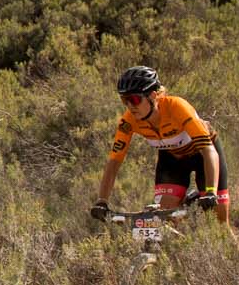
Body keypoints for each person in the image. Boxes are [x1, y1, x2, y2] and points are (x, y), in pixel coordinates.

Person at [91, 65, 228, 226]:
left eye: (134, 99)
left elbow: (208, 150)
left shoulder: (177, 107)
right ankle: (177, 243)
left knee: (220, 223)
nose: (130, 106)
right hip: (172, 159)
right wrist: (102, 201)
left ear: (153, 95)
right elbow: (114, 162)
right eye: (124, 100)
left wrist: (211, 192)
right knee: (164, 217)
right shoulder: (128, 121)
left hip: (202, 156)